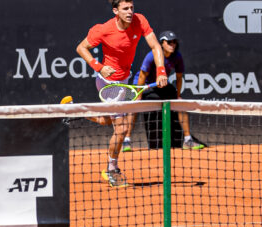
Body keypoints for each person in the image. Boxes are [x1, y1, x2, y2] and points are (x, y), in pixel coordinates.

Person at [71, 0, 168, 187]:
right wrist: (98, 67)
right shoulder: (104, 29)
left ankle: (76, 110)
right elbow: (81, 48)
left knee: (107, 120)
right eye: (125, 9)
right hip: (109, 82)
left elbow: (156, 46)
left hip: (124, 80)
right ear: (115, 11)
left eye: (132, 8)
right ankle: (111, 169)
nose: (130, 12)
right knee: (122, 129)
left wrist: (161, 70)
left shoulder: (140, 21)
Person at [122, 30, 204, 152]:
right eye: (169, 42)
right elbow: (142, 76)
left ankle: (187, 140)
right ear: (162, 43)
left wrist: (178, 95)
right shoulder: (151, 55)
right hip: (139, 83)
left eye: (174, 42)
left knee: (181, 104)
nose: (172, 45)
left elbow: (179, 77)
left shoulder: (177, 56)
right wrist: (138, 94)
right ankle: (125, 141)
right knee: (132, 107)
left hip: (159, 84)